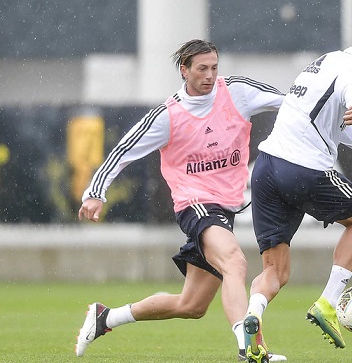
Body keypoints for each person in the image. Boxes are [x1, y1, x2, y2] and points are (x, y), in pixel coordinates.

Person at [75, 39, 287, 362]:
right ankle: (250, 348)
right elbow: (123, 150)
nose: (209, 75)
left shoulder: (237, 92)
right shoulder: (168, 116)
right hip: (195, 205)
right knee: (235, 262)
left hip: (224, 210)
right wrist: (95, 192)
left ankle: (105, 317)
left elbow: (293, 103)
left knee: (192, 306)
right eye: (202, 69)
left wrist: (336, 113)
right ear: (183, 70)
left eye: (214, 68)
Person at [241, 9, 352, 362]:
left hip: (266, 168)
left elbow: (339, 125)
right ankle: (328, 303)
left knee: (275, 272)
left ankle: (252, 321)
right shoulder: (349, 71)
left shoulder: (325, 62)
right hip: (303, 169)